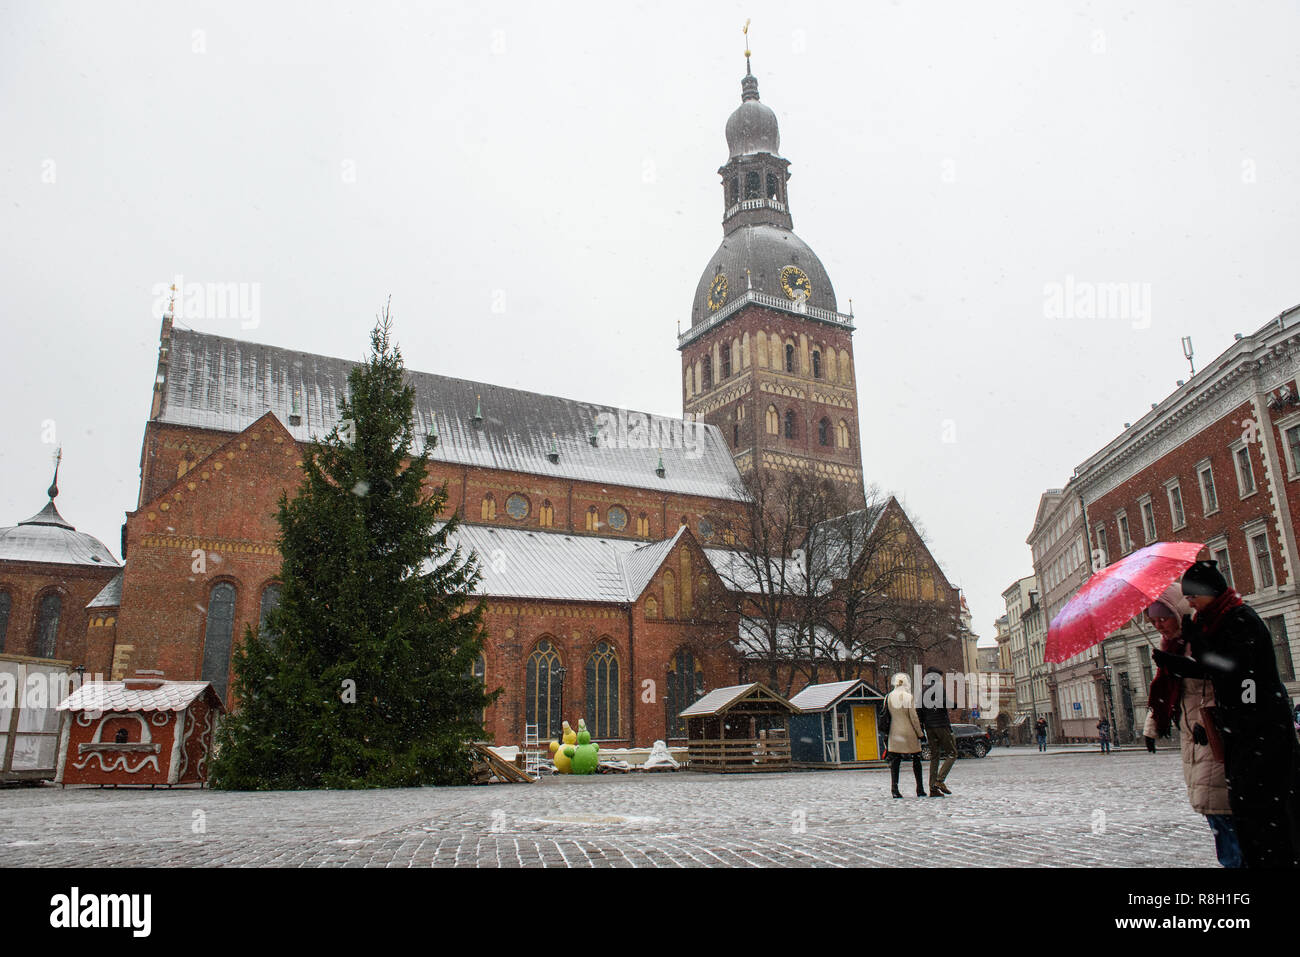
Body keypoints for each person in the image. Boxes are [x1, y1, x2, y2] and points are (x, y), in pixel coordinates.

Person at [1153, 560, 1300, 868]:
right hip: (1241, 732)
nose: (1189, 601)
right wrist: (1181, 661)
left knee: (1267, 814)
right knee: (1248, 814)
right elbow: (1219, 668)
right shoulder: (1216, 621)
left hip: (1262, 730)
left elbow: (1235, 671)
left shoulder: (1239, 618)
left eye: (1193, 595)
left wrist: (1196, 650)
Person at [1142, 584, 1242, 867]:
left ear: (1178, 611)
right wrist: (1152, 728)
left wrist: (1215, 721)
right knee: (1215, 811)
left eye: (1163, 618)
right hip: (1194, 740)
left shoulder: (1200, 638)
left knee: (1223, 810)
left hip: (1213, 735)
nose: (1159, 625)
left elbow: (1219, 681)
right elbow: (1169, 693)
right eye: (1153, 621)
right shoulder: (1170, 646)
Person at [885, 672, 926, 798]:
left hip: (894, 732)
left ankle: (895, 789)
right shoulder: (908, 697)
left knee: (895, 762)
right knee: (916, 760)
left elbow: (886, 716)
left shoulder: (888, 697)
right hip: (909, 732)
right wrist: (920, 733)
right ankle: (919, 788)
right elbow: (914, 718)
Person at [918, 666, 957, 797]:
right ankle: (939, 781)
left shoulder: (922, 691)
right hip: (941, 725)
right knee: (952, 753)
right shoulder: (938, 688)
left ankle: (932, 789)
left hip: (929, 727)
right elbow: (944, 703)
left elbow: (919, 711)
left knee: (934, 757)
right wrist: (954, 704)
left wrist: (923, 726)